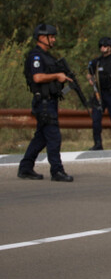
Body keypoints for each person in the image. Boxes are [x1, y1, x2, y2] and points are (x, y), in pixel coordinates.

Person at [18, 24, 74, 182]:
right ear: (42, 38)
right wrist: (57, 76)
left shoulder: (48, 56)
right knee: (54, 137)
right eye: (52, 37)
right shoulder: (36, 56)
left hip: (49, 101)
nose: (54, 39)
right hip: (43, 103)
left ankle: (25, 168)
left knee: (41, 138)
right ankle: (57, 170)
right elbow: (37, 77)